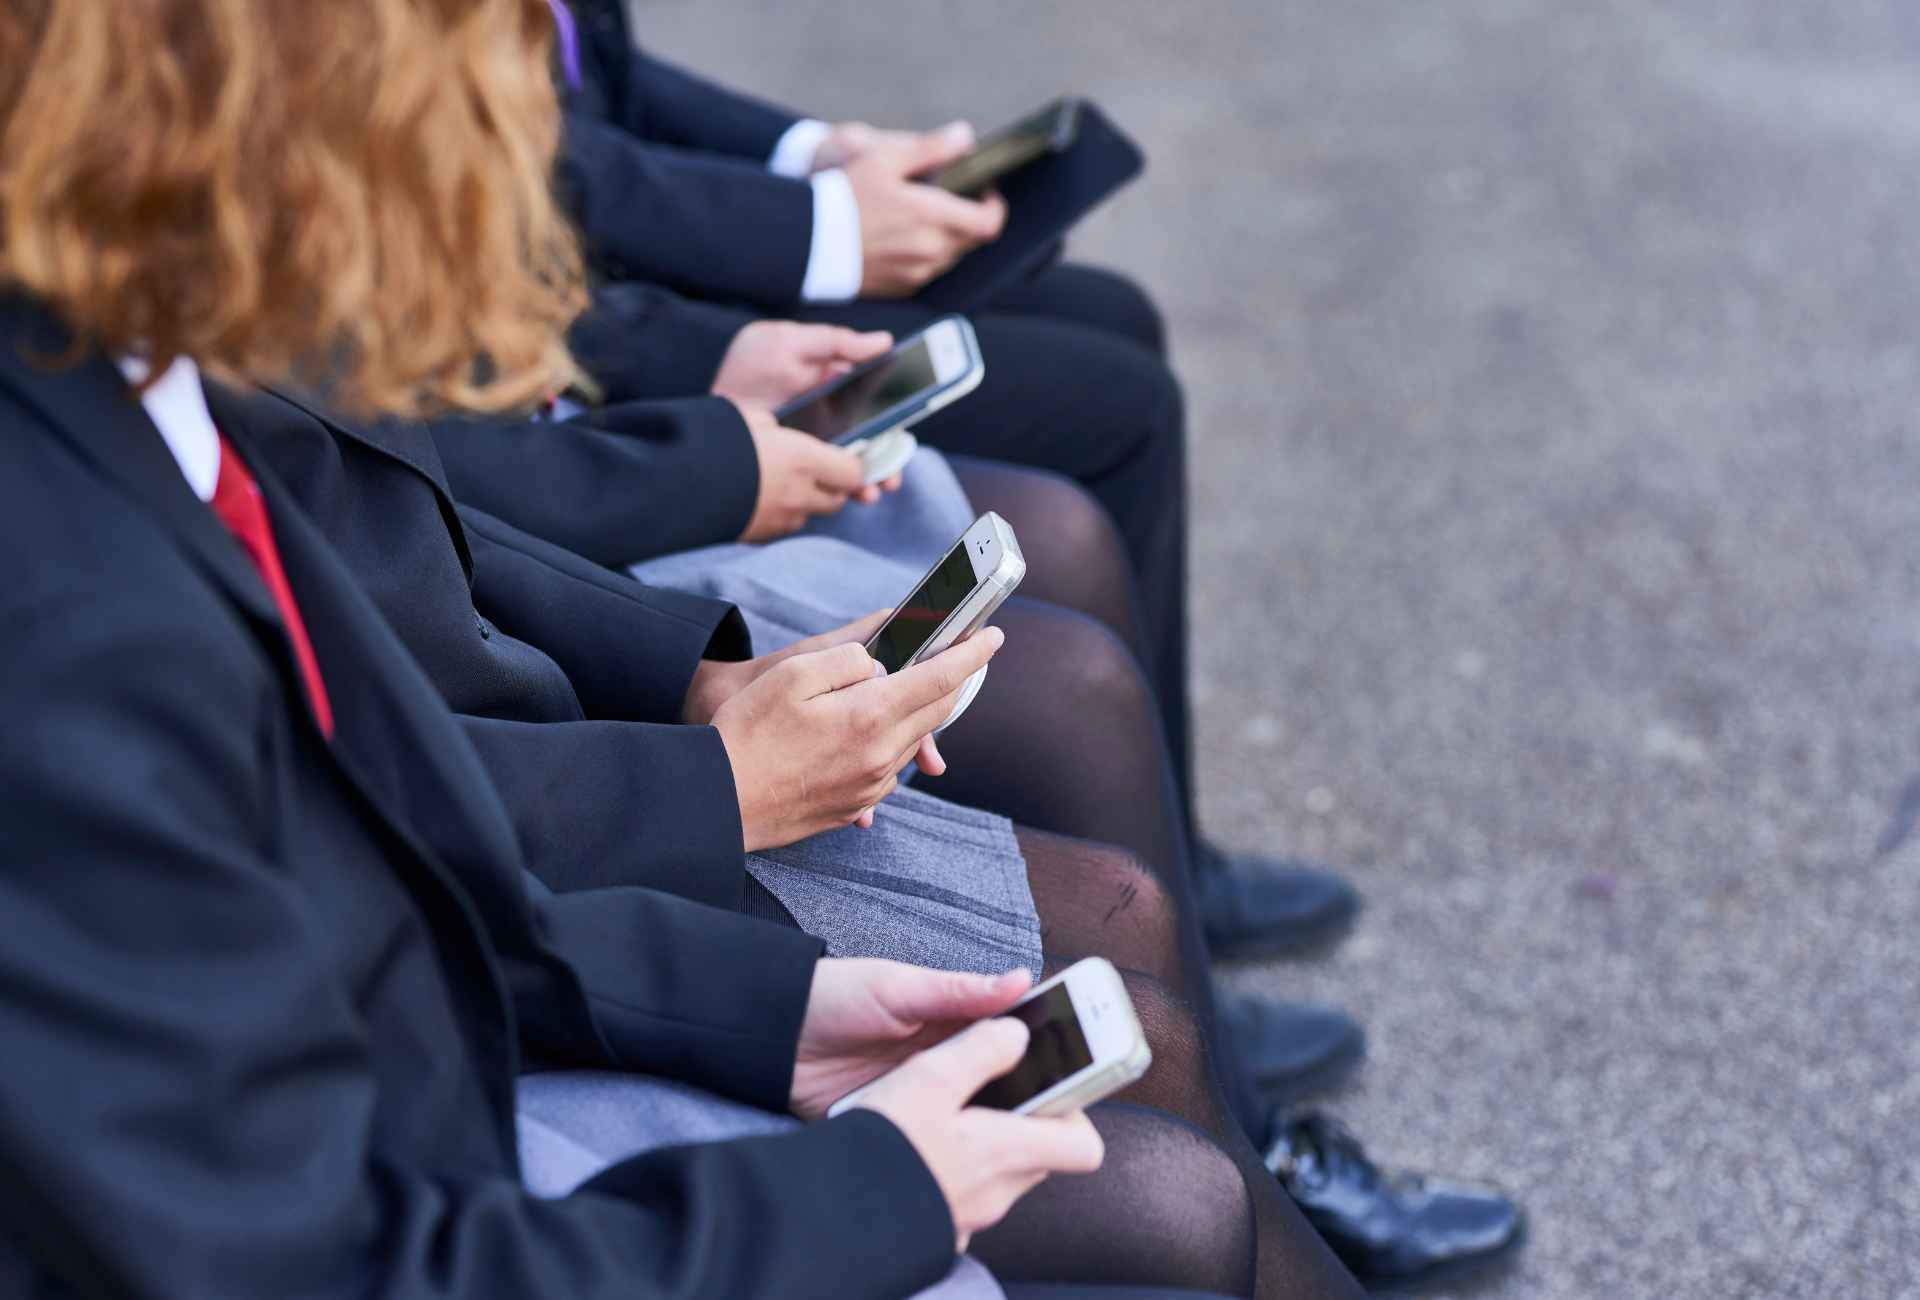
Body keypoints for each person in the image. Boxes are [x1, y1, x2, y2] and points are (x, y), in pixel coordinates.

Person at [0, 1, 1374, 1297]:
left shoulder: (134, 391)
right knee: (1167, 1183)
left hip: (454, 1056)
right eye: (459, 89)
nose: (513, 172)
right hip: (448, 1178)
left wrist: (759, 1012)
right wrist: (868, 1190)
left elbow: (376, 829)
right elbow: (318, 1261)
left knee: (1159, 1120)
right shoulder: (75, 612)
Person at [546, 0, 1360, 959]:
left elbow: (583, 69)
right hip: (573, 372)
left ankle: (1173, 886)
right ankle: (1165, 935)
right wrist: (813, 240)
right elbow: (519, 165)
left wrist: (813, 156)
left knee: (1108, 320)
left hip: (582, 323)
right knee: (1109, 433)